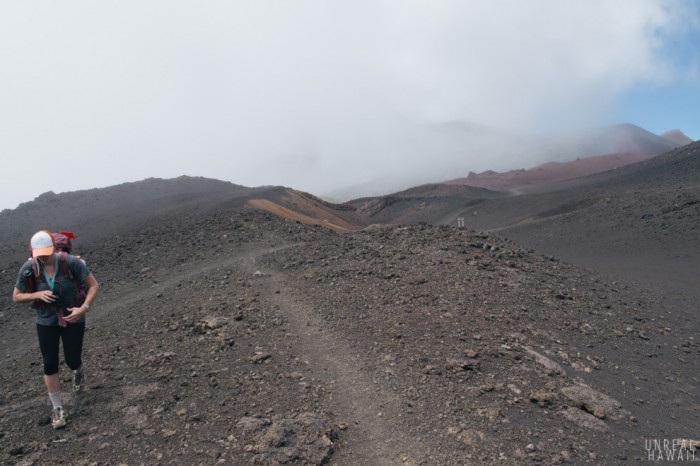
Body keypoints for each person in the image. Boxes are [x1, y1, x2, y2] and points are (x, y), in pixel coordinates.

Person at [12, 230, 99, 429]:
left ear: (53, 248)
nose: (43, 257)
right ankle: (57, 408)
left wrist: (83, 308)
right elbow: (16, 296)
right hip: (46, 321)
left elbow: (94, 286)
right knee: (49, 363)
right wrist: (37, 294)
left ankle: (78, 370)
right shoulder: (29, 268)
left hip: (73, 317)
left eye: (46, 252)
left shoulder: (71, 263)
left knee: (72, 359)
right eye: (39, 253)